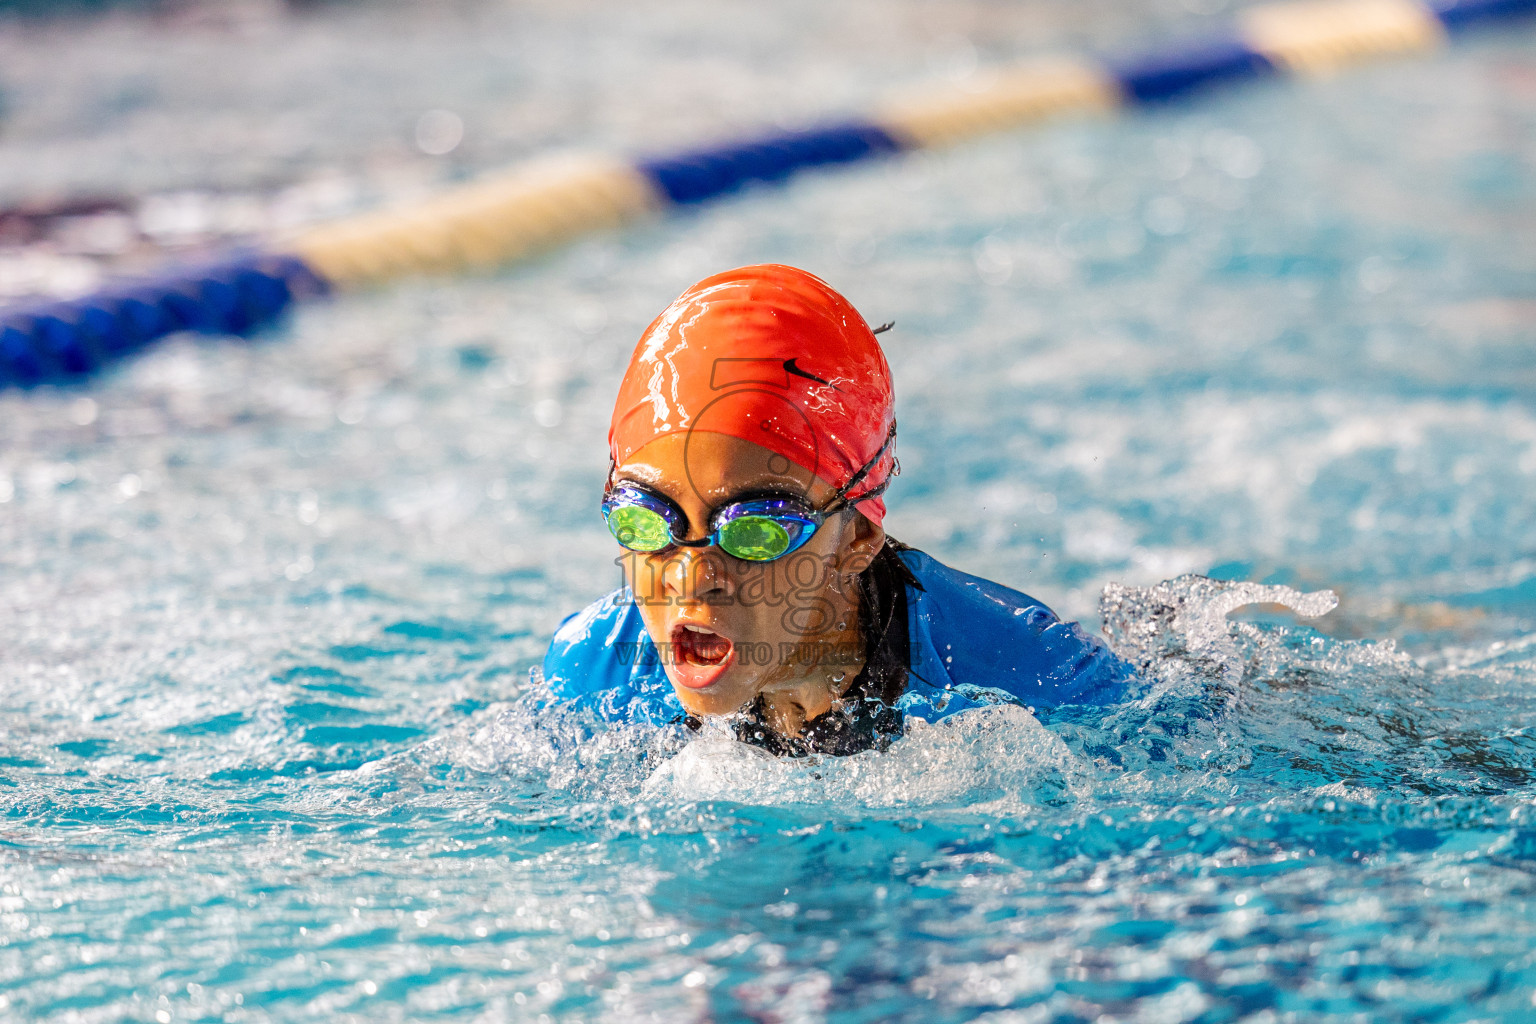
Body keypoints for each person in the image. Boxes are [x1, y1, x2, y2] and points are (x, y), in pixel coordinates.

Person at [541, 264, 1133, 756]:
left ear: (858, 537)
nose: (690, 575)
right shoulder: (592, 672)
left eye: (755, 530)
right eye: (645, 521)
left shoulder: (1029, 678)